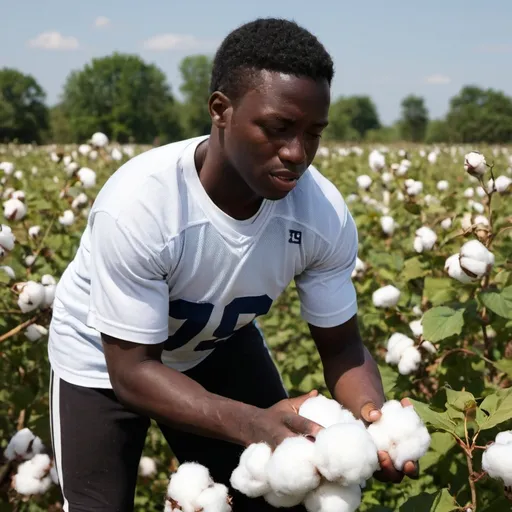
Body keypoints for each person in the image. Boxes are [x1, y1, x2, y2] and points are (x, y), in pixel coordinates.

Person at [47, 17, 419, 512]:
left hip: (215, 345)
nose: (297, 152)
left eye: (314, 134)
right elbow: (133, 372)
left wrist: (374, 417)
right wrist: (248, 422)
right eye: (278, 128)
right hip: (105, 359)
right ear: (221, 111)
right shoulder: (142, 205)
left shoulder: (322, 215)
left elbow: (343, 347)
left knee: (274, 498)